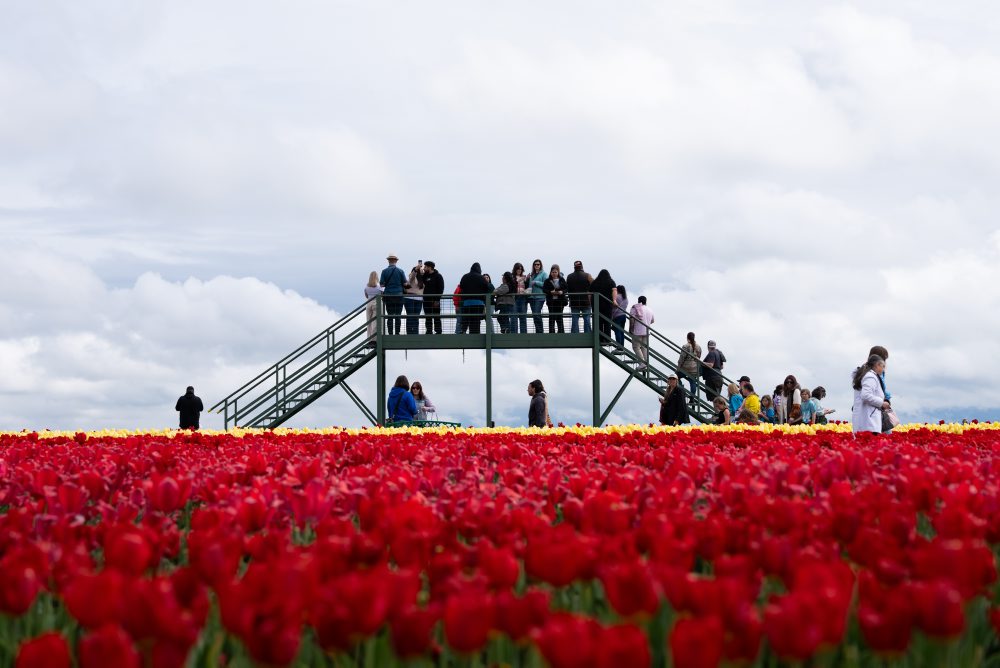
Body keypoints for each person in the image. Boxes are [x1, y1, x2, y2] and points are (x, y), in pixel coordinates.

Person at [852, 354, 889, 433]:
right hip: (869, 421)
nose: (883, 369)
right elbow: (865, 395)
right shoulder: (870, 377)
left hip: (866, 419)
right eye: (883, 366)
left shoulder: (866, 375)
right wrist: (881, 403)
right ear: (877, 365)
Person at [458, 263, 491, 334]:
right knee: (476, 322)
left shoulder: (465, 276)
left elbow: (461, 287)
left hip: (467, 303)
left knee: (467, 319)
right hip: (478, 303)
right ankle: (475, 337)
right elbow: (487, 288)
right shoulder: (481, 277)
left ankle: (463, 331)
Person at [379, 253, 407, 335]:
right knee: (398, 315)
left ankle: (390, 332)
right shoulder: (400, 271)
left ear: (388, 261)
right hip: (399, 295)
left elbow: (382, 284)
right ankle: (397, 332)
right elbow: (405, 283)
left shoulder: (384, 271)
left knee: (390, 316)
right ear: (396, 261)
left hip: (388, 296)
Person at [566, 260, 594, 334]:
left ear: (574, 267)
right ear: (582, 266)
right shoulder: (587, 275)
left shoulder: (569, 276)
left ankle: (575, 334)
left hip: (574, 301)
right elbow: (594, 285)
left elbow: (567, 288)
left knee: (575, 319)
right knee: (587, 319)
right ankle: (587, 334)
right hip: (586, 301)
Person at [590, 269, 617, 343]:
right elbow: (614, 290)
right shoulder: (611, 282)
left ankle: (600, 339)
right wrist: (614, 300)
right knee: (607, 322)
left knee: (598, 322)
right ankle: (607, 339)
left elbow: (589, 293)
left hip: (596, 305)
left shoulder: (595, 282)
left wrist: (590, 302)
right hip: (607, 305)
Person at [629, 296, 654, 369]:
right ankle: (646, 364)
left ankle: (642, 363)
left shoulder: (635, 308)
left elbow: (632, 319)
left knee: (636, 347)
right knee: (644, 347)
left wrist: (631, 329)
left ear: (638, 301)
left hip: (637, 331)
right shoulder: (649, 309)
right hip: (646, 331)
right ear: (646, 301)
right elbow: (652, 320)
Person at [678, 333, 702, 405]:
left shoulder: (685, 346)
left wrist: (678, 366)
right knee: (693, 381)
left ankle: (682, 390)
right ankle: (692, 398)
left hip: (685, 368)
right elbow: (699, 357)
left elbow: (682, 358)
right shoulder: (698, 347)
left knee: (676, 377)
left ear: (687, 338)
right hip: (694, 368)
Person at [543, 265, 569, 333]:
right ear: (550, 272)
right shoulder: (547, 280)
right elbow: (544, 290)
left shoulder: (562, 279)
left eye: (555, 272)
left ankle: (561, 332)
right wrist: (550, 292)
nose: (554, 273)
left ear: (558, 272)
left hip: (560, 301)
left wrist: (562, 292)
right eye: (553, 272)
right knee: (551, 317)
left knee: (559, 317)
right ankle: (551, 332)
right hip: (551, 301)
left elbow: (566, 288)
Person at [421, 261, 445, 335]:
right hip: (426, 300)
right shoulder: (425, 276)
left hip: (435, 300)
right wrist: (421, 273)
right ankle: (429, 331)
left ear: (429, 267)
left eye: (425, 267)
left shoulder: (438, 276)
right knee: (428, 317)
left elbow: (441, 288)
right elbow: (419, 282)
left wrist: (437, 299)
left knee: (436, 316)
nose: (424, 268)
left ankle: (438, 331)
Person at [403, 262, 425, 335]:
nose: (422, 270)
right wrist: (416, 269)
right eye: (420, 270)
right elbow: (412, 276)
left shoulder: (422, 279)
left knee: (416, 317)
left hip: (419, 299)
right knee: (410, 316)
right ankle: (409, 333)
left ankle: (415, 333)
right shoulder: (412, 278)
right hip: (410, 298)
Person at [528, 259, 547, 334]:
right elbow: (530, 285)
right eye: (535, 264)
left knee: (536, 313)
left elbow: (546, 284)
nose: (536, 265)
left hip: (540, 297)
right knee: (535, 315)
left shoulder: (544, 274)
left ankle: (540, 332)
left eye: (538, 264)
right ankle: (537, 332)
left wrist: (536, 282)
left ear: (540, 265)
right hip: (532, 297)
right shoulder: (531, 275)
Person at [511, 262, 529, 334]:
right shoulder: (512, 277)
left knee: (523, 317)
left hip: (523, 298)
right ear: (515, 269)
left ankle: (523, 335)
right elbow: (511, 287)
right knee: (513, 317)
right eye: (518, 269)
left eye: (521, 269)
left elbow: (528, 287)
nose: (519, 270)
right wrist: (517, 280)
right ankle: (513, 335)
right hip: (514, 298)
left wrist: (527, 280)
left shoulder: (525, 277)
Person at [364, 271, 381, 337]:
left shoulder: (366, 287)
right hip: (376, 302)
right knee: (375, 321)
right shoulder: (379, 286)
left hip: (369, 303)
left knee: (369, 321)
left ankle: (369, 337)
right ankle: (374, 338)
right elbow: (381, 294)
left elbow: (366, 296)